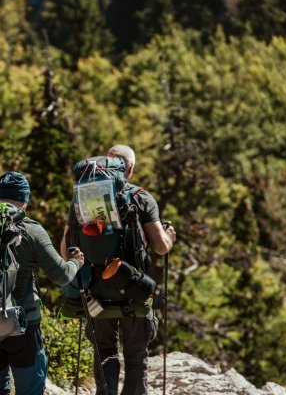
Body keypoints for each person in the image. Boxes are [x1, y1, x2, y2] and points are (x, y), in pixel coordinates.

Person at [61, 145, 176, 395]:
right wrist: (169, 236)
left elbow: (65, 248)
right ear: (130, 168)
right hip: (133, 290)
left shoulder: (82, 197)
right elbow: (160, 247)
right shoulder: (141, 197)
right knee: (136, 356)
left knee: (105, 352)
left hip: (95, 292)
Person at [0, 171, 85, 395]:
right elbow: (60, 275)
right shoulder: (31, 229)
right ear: (25, 200)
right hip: (23, 325)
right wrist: (75, 263)